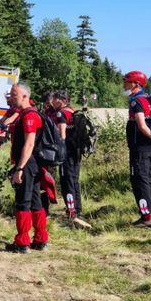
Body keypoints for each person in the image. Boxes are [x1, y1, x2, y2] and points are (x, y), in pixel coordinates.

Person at [6, 83, 48, 252]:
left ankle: (22, 243)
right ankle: (40, 239)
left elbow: (29, 143)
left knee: (23, 201)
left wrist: (20, 169)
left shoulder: (30, 116)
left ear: (24, 96)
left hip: (28, 164)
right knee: (36, 201)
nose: (10, 97)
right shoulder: (24, 114)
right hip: (32, 164)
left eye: (13, 94)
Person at [124, 70, 151, 228]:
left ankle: (147, 218)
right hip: (150, 148)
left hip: (140, 148)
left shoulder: (137, 101)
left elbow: (141, 125)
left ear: (136, 84)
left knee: (139, 180)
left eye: (127, 82)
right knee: (147, 179)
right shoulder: (148, 98)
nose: (124, 84)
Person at [52, 90, 84, 221]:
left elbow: (62, 134)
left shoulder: (61, 113)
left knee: (67, 181)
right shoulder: (72, 111)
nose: (53, 101)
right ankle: (77, 209)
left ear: (62, 100)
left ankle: (71, 211)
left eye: (55, 99)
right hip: (76, 151)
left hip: (67, 152)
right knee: (74, 180)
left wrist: (59, 150)